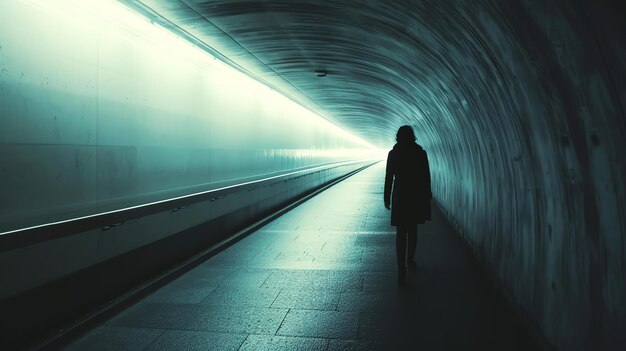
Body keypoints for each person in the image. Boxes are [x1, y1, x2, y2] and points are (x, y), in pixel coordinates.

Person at [384, 125, 432, 285]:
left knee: (400, 233)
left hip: (399, 196)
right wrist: (427, 195)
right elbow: (426, 177)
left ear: (398, 137)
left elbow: (389, 177)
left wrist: (386, 197)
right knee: (412, 230)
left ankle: (401, 268)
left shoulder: (393, 154)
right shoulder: (420, 153)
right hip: (415, 196)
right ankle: (410, 259)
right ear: (413, 136)